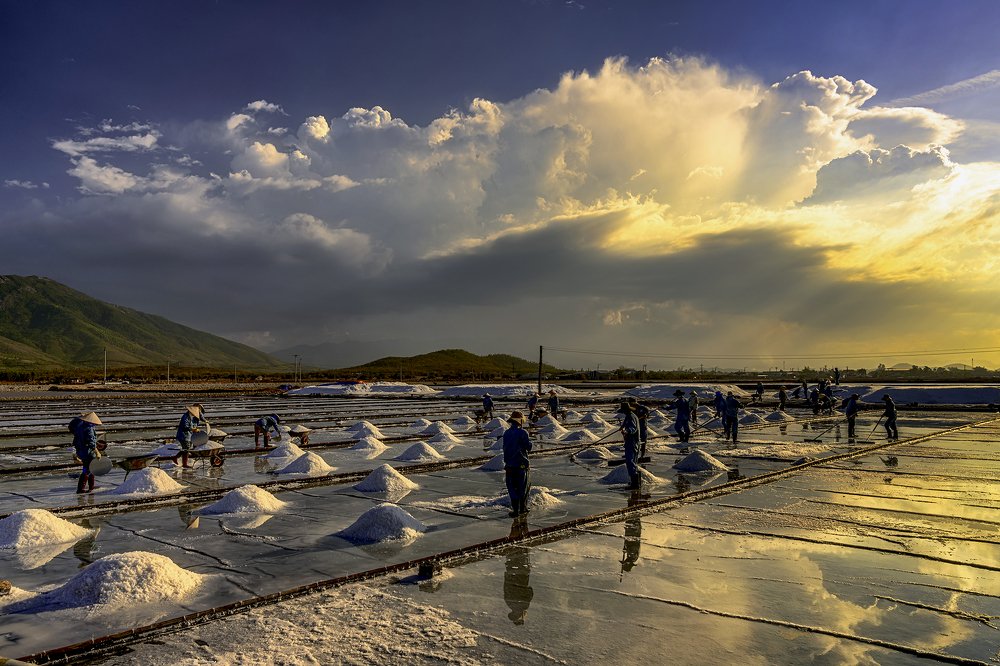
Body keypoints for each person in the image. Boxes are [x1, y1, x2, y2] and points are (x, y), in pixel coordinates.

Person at [502, 411, 533, 518]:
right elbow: (528, 447)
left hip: (509, 465)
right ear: (520, 421)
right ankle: (522, 508)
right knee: (523, 487)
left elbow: (505, 448)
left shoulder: (506, 433)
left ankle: (515, 511)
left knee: (512, 488)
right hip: (521, 465)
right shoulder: (523, 433)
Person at [71, 412, 102, 494]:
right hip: (88, 452)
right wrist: (97, 452)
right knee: (87, 470)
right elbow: (91, 442)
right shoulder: (89, 428)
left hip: (81, 451)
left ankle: (91, 487)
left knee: (89, 468)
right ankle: (80, 489)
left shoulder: (80, 426)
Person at [618, 400, 642, 489]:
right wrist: (622, 427)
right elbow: (625, 423)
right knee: (633, 462)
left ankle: (635, 484)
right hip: (630, 441)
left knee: (630, 461)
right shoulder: (629, 416)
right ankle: (635, 482)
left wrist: (626, 431)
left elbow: (633, 428)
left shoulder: (631, 417)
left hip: (632, 442)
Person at [175, 404, 205, 468]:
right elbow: (185, 427)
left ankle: (175, 458)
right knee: (186, 449)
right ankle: (184, 464)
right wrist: (193, 429)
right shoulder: (185, 417)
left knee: (186, 449)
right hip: (183, 435)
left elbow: (201, 416)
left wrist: (206, 421)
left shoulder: (192, 417)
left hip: (188, 435)